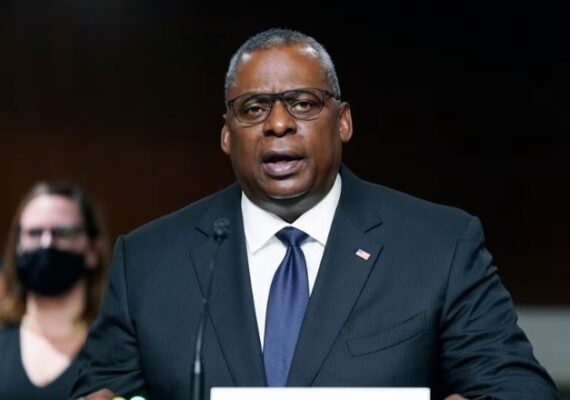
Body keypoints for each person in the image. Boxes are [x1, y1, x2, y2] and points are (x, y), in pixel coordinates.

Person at [70, 28, 560, 400]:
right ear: (226, 135)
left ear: (343, 122)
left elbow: (519, 387)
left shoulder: (439, 244)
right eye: (253, 108)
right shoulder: (149, 260)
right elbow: (100, 389)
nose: (278, 124)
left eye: (303, 103)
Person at [0, 182, 110, 400]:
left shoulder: (117, 354)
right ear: (18, 246)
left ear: (92, 249)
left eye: (63, 232)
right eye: (34, 232)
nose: (47, 243)